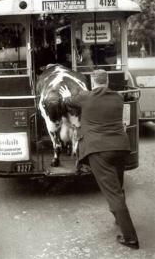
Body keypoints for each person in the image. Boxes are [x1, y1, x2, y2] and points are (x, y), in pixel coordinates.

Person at [59, 69, 139, 249]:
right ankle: (120, 218)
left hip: (98, 150)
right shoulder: (118, 97)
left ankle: (130, 238)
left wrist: (66, 95)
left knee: (113, 194)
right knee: (118, 187)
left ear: (92, 82)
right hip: (121, 147)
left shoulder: (85, 97)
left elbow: (67, 101)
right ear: (108, 81)